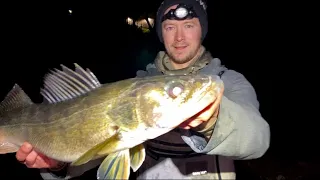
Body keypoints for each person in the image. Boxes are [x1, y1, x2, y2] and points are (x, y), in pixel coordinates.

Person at [15, 0, 270, 179]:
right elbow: (87, 156)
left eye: (189, 25)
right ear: (161, 32)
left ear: (202, 30)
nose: (179, 37)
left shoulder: (228, 81)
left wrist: (213, 121)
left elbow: (258, 139)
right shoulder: (133, 87)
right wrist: (57, 165)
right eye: (170, 27)